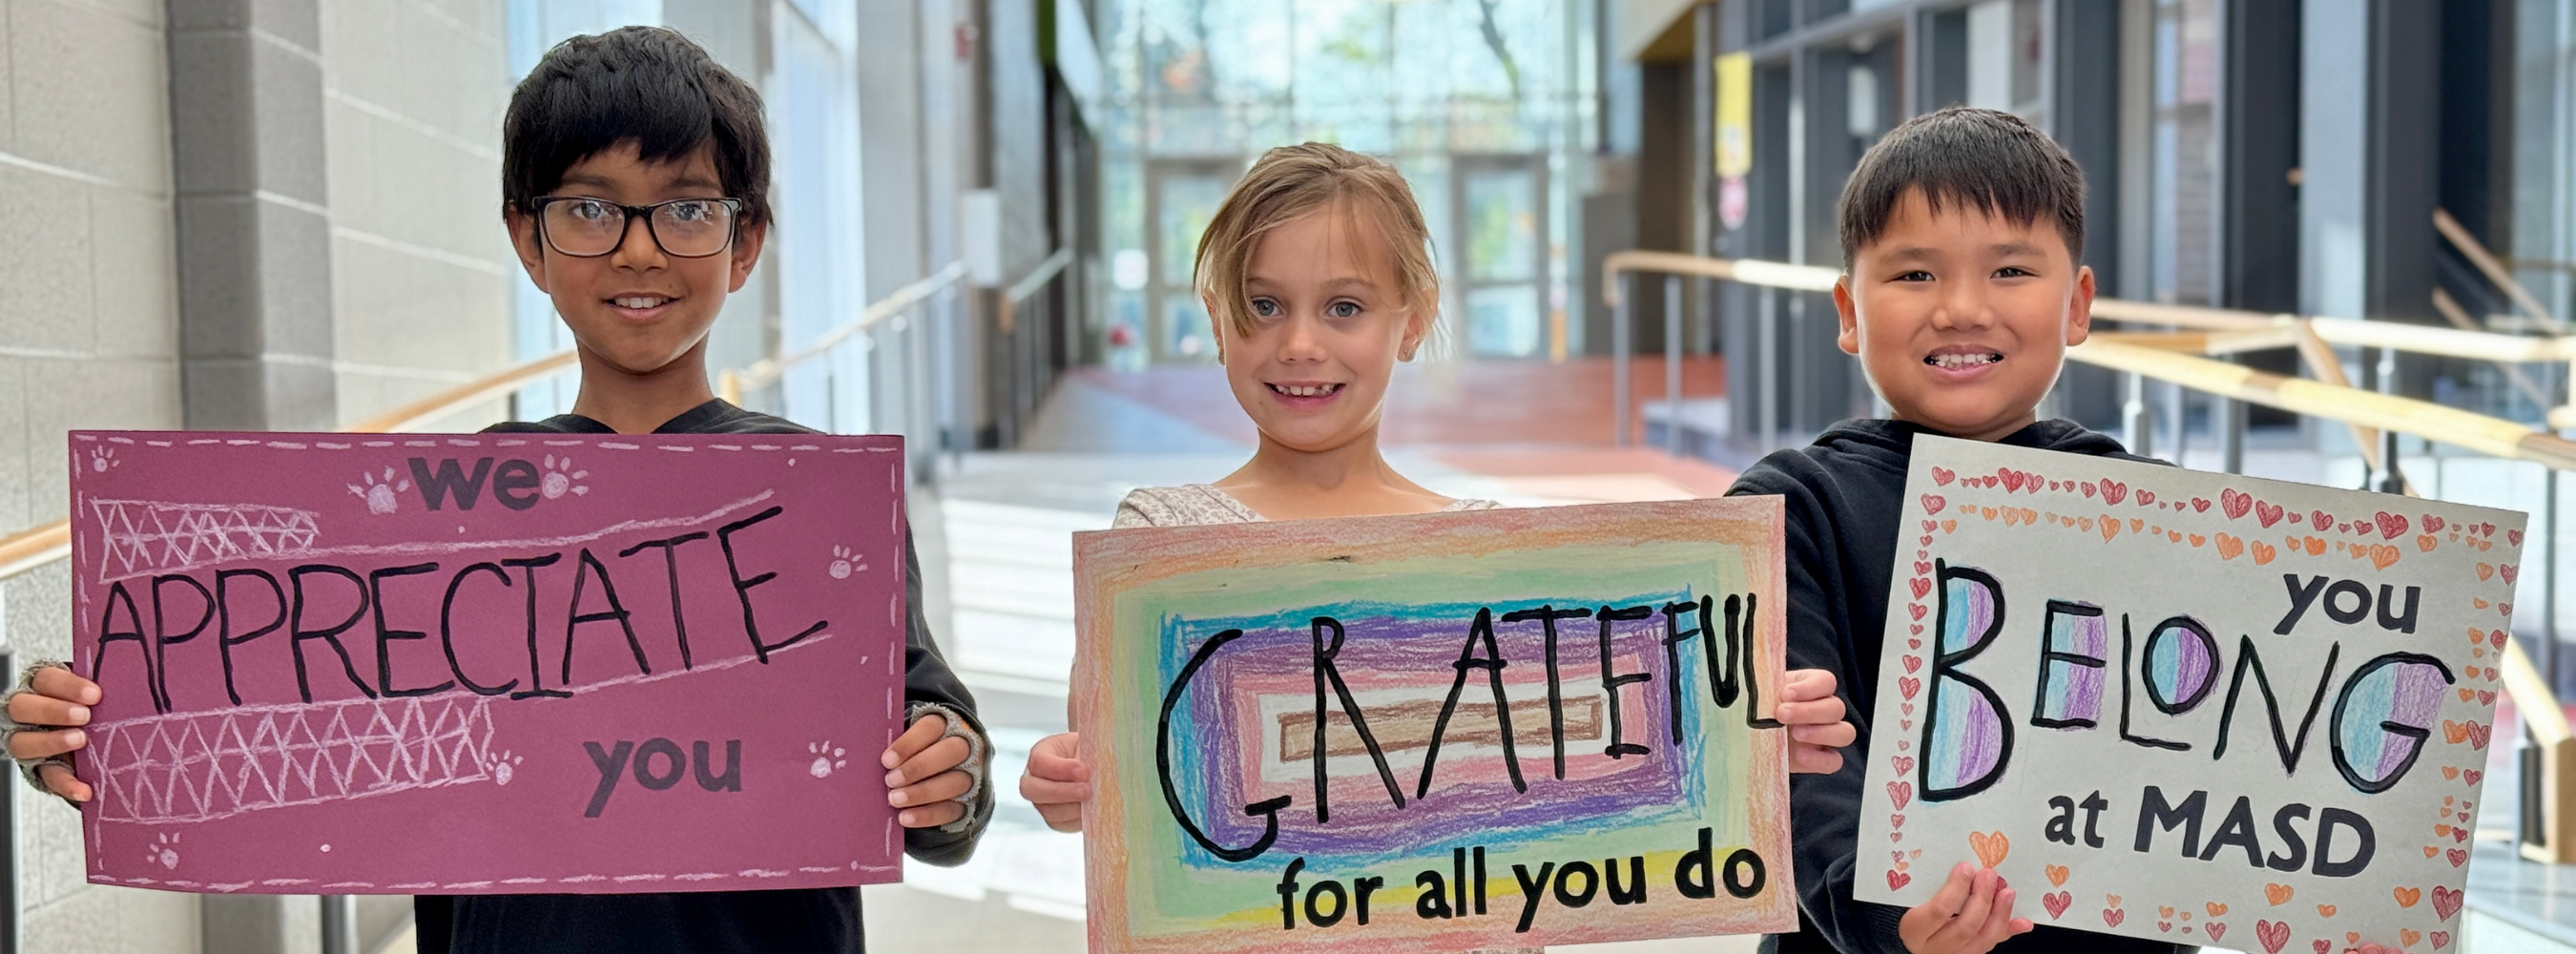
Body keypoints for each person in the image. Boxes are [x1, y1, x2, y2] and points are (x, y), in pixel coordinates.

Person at [2, 27, 990, 954]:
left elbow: (936, 758)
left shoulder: (815, 501)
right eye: (591, 208)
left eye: (687, 208)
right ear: (529, 238)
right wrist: (103, 732)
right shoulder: (449, 512)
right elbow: (283, 700)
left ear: (745, 243)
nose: (639, 248)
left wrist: (949, 773)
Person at [1014, 142, 1859, 953]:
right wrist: (1072, 783)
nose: (1299, 343)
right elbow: (1120, 770)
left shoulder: (1484, 553)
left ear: (1410, 321)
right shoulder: (1162, 542)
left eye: (1344, 307)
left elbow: (1607, 740)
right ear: (1217, 318)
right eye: (1264, 305)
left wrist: (1750, 730)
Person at [1728, 106, 2171, 954]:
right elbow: (1800, 773)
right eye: (1914, 276)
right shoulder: (1790, 508)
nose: (1963, 309)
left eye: (2010, 270)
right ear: (1849, 310)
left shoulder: (2150, 515)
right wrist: (1888, 922)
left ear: (2077, 304)